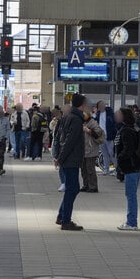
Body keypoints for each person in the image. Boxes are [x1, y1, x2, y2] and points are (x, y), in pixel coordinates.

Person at [55, 95, 86, 231]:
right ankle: (65, 220)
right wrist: (60, 158)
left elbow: (61, 137)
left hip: (68, 159)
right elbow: (70, 141)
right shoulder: (76, 120)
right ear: (82, 105)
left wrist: (59, 156)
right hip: (71, 159)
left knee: (71, 188)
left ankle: (62, 216)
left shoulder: (67, 117)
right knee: (72, 189)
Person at [115, 107, 140, 230]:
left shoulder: (126, 131)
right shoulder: (133, 128)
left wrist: (120, 158)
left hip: (131, 167)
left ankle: (131, 222)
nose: (116, 115)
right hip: (135, 166)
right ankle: (131, 220)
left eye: (119, 114)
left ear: (124, 116)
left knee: (131, 195)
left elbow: (128, 149)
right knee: (131, 194)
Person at [80, 109, 104, 193]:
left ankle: (93, 186)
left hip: (91, 149)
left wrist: (89, 131)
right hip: (83, 150)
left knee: (90, 169)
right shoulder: (82, 122)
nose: (83, 116)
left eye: (84, 114)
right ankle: (86, 185)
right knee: (83, 169)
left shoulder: (93, 123)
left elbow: (98, 132)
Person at [94, 101, 117, 175]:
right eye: (100, 105)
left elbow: (113, 124)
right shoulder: (98, 114)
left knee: (111, 153)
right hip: (101, 136)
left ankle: (117, 170)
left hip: (109, 136)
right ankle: (106, 170)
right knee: (104, 154)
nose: (102, 106)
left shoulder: (110, 113)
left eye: (102, 104)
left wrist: (113, 133)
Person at [50, 106, 68, 192]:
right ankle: (63, 183)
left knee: (67, 167)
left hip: (68, 148)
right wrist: (55, 152)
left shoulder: (73, 122)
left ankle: (66, 183)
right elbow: (56, 136)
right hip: (60, 147)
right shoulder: (60, 123)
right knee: (61, 166)